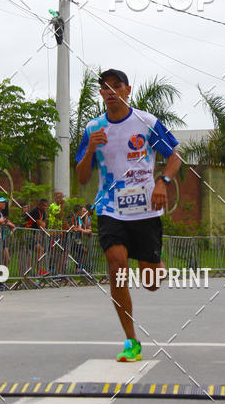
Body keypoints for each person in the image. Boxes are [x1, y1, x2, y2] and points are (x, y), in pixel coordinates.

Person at [76, 69, 181, 362]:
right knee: (116, 263)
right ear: (101, 94)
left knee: (150, 281)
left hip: (145, 210)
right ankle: (131, 340)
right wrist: (90, 150)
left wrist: (163, 181)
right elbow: (82, 177)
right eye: (105, 88)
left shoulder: (146, 122)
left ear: (127, 90)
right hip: (110, 208)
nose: (111, 92)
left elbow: (175, 156)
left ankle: (155, 263)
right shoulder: (93, 128)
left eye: (117, 86)